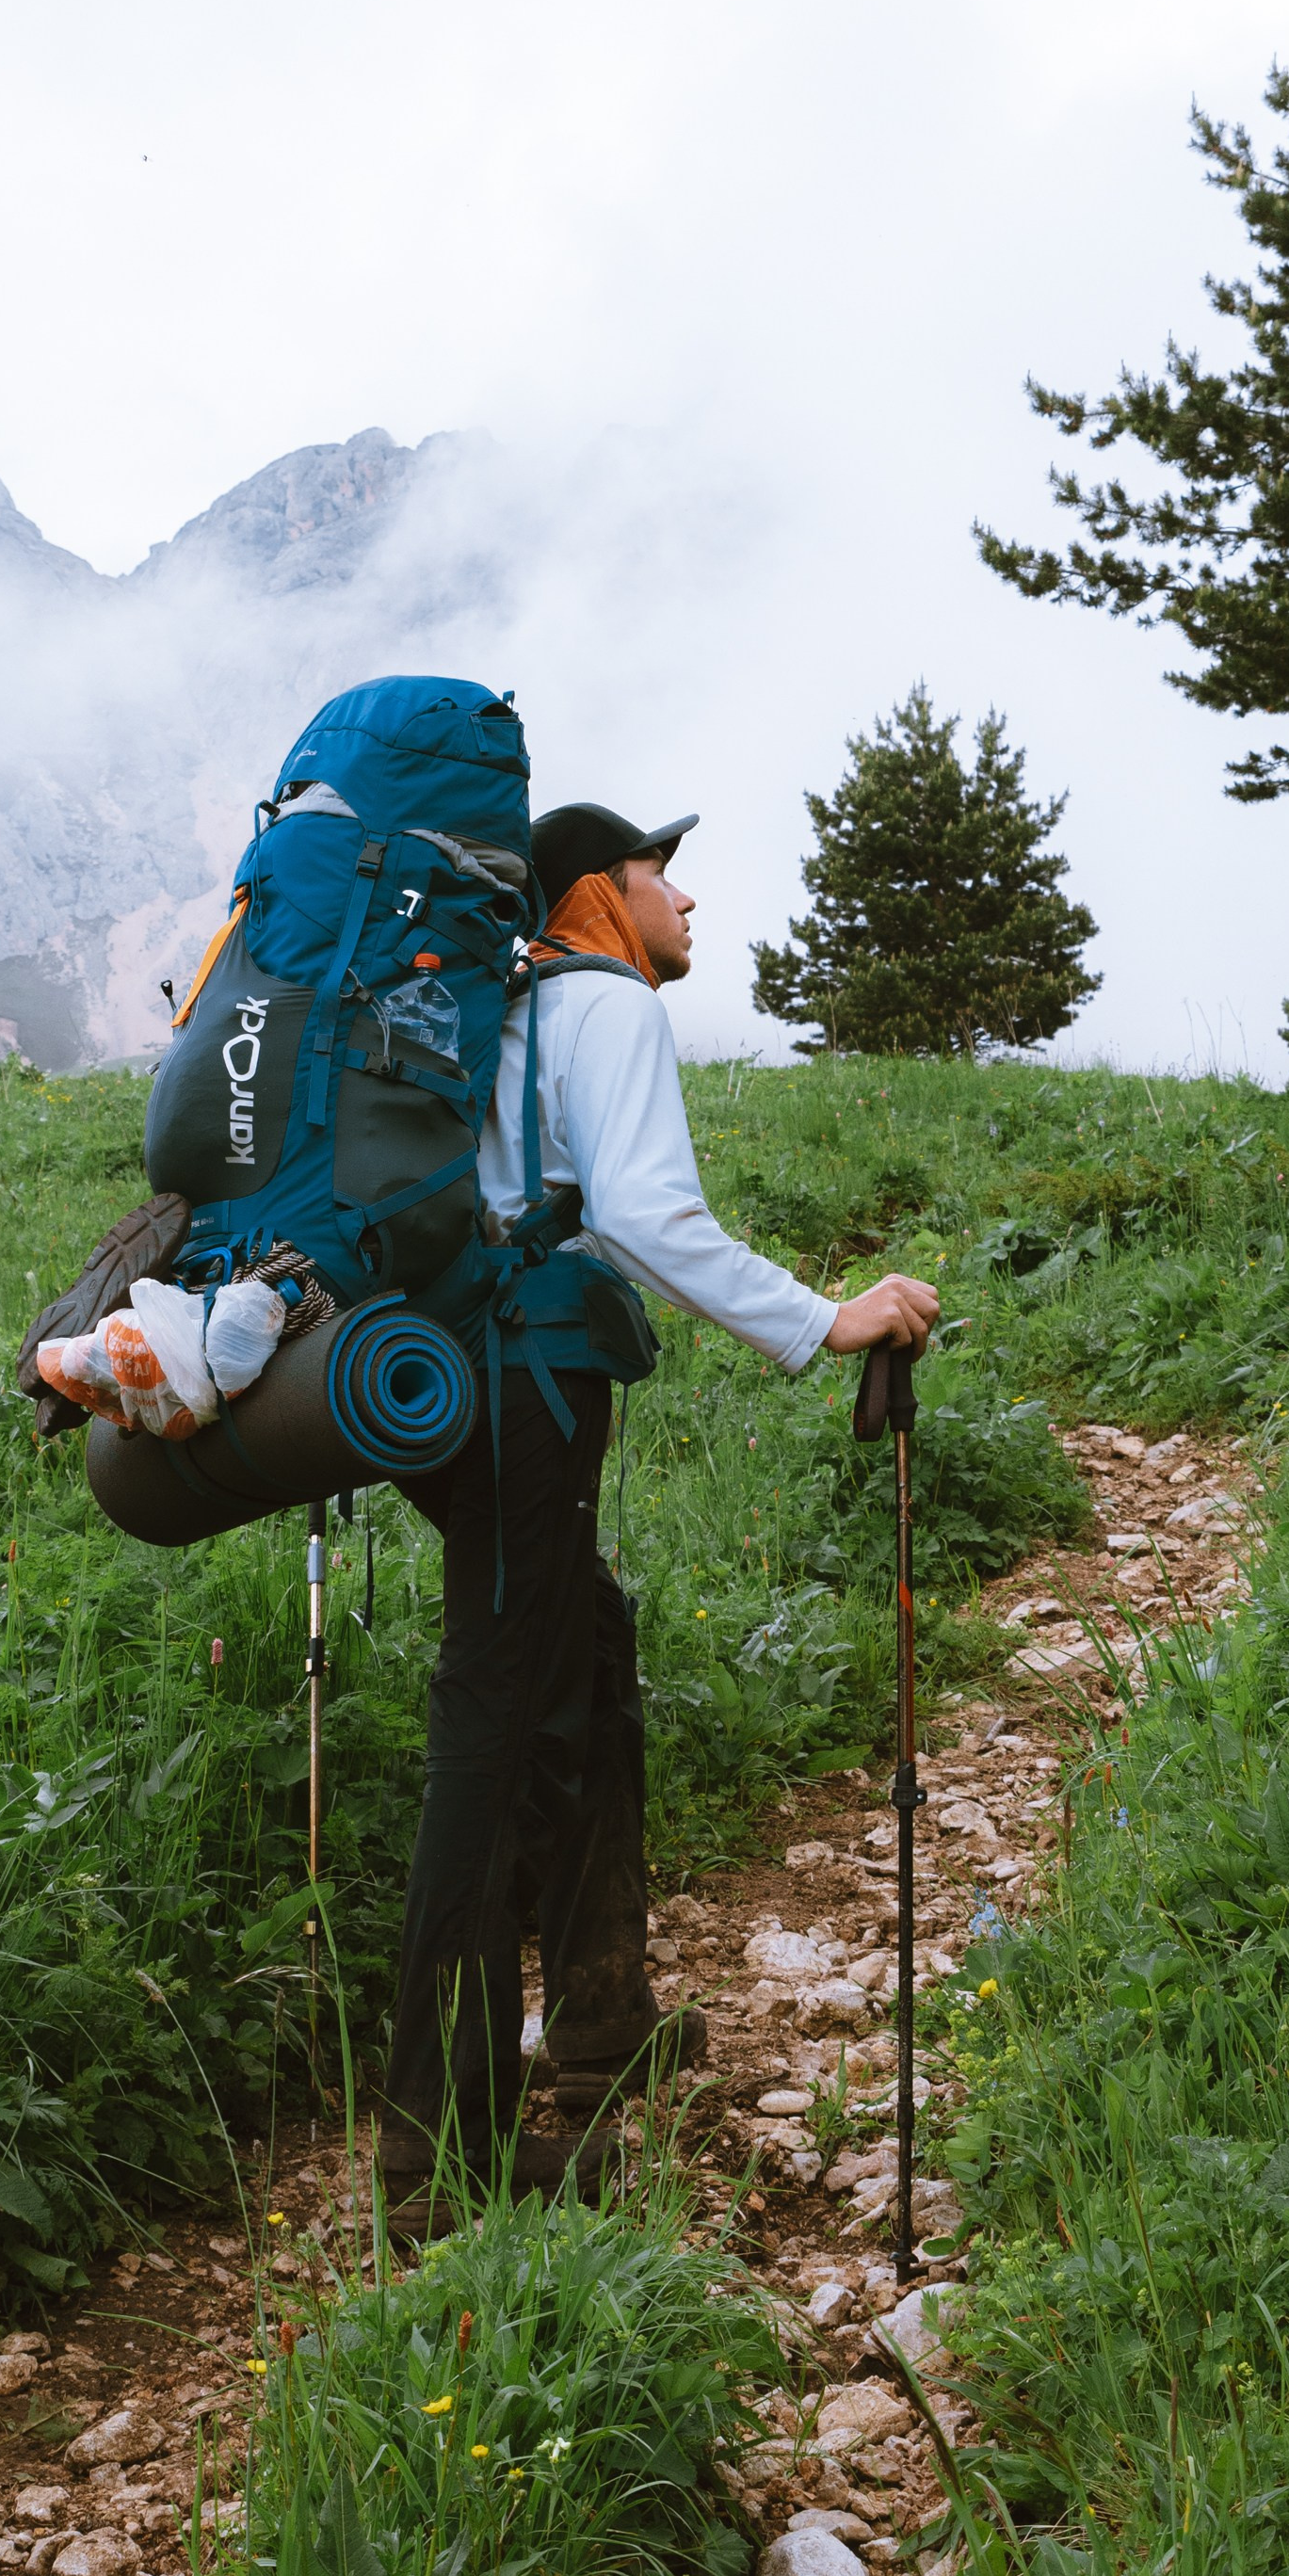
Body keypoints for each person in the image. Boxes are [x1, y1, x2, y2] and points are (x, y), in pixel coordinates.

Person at [377, 797, 939, 2211]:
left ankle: (600, 2022)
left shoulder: (500, 1012)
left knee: (587, 1645)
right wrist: (828, 1319)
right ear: (592, 894)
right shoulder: (603, 1003)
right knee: (492, 1719)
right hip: (530, 1386)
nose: (684, 902)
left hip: (440, 1380)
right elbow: (639, 1211)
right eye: (659, 873)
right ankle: (437, 2145)